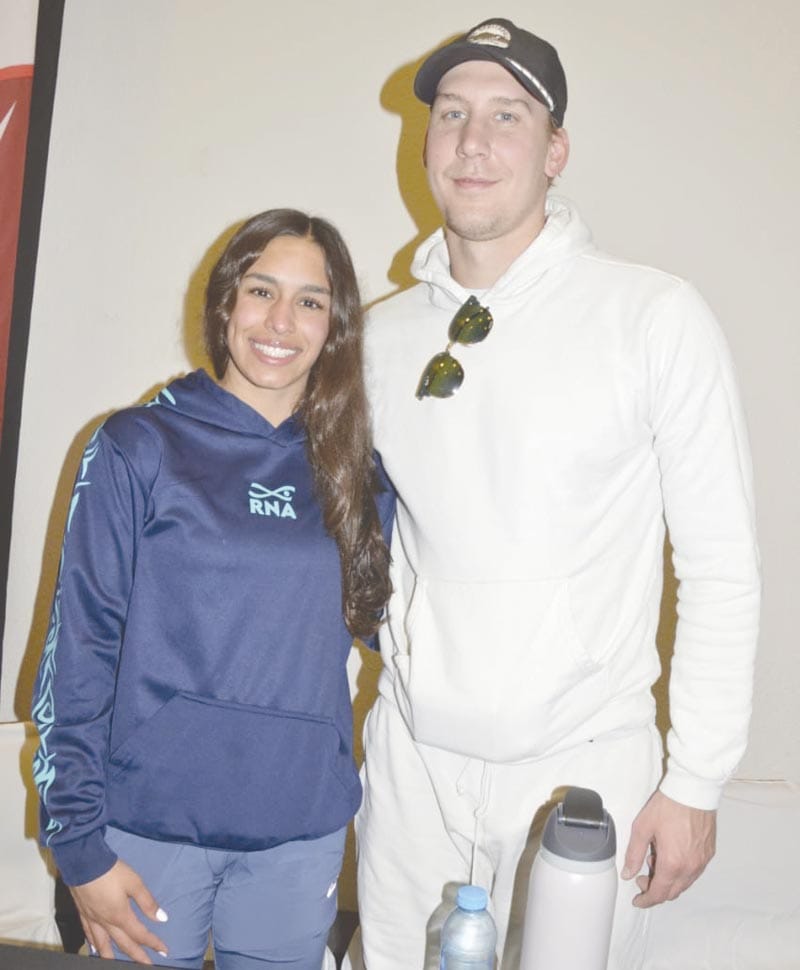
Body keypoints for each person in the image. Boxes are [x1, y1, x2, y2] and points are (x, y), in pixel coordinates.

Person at [355, 17, 760, 970]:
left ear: (556, 150)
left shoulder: (653, 316)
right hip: (412, 767)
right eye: (452, 114)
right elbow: (350, 556)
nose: (474, 141)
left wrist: (696, 780)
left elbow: (721, 565)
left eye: (508, 115)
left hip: (584, 766)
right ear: (427, 142)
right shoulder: (378, 339)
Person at [30, 208, 394, 970]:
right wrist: (79, 844)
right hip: (147, 830)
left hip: (299, 833)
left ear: (335, 326)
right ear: (226, 298)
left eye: (310, 301)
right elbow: (80, 650)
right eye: (262, 290)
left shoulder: (355, 470)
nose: (281, 321)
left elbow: (390, 625)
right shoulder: (137, 446)